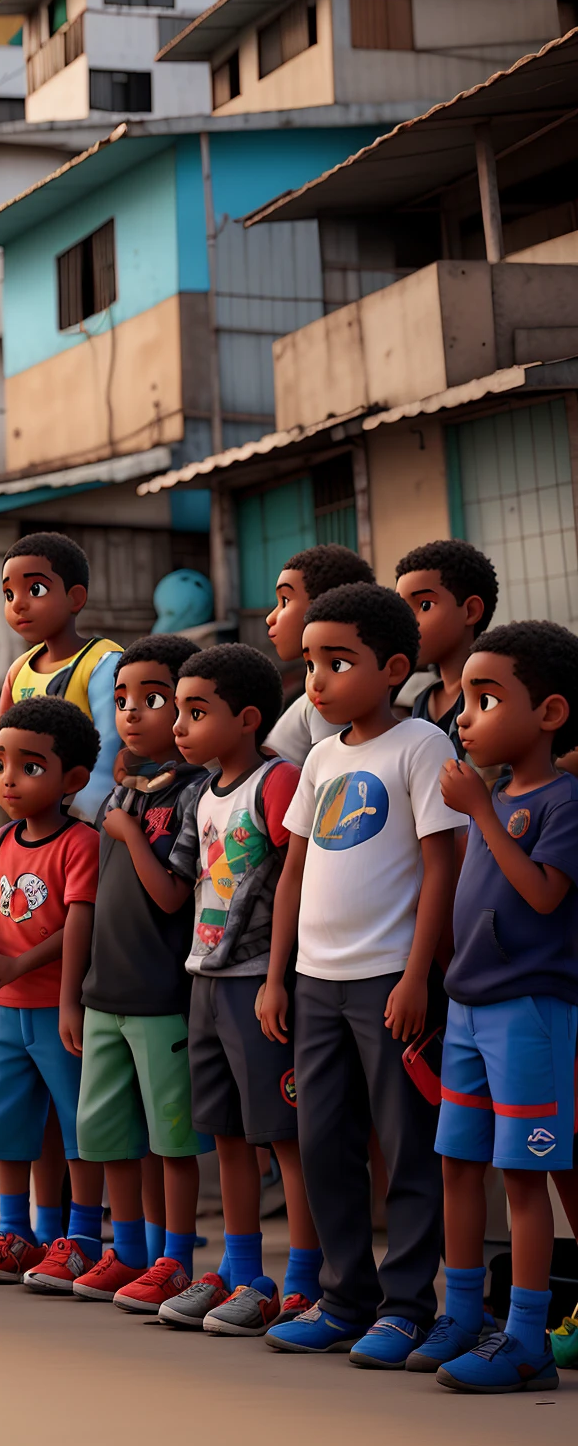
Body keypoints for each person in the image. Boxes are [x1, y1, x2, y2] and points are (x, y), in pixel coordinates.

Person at [258, 584, 467, 1363]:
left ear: (395, 668)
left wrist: (417, 976)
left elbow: (439, 868)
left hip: (389, 982)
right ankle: (345, 1298)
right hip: (314, 983)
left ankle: (408, 1306)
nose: (318, 679)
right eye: (312, 662)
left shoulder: (421, 747)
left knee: (407, 1146)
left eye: (338, 662)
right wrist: (277, 977)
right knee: (323, 1143)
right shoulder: (317, 756)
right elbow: (292, 875)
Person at [147, 644, 325, 1333]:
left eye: (196, 712)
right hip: (206, 980)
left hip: (258, 984)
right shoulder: (199, 794)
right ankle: (242, 1271)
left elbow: (293, 881)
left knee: (284, 1135)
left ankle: (303, 1279)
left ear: (248, 718)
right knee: (223, 1132)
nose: (179, 726)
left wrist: (278, 978)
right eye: (179, 711)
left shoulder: (277, 783)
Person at [422, 623, 578, 1392]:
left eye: (486, 700)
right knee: (458, 1162)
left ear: (549, 713)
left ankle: (527, 1339)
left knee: (524, 1176)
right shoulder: (493, 794)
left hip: (530, 1012)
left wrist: (482, 813)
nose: (466, 718)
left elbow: (546, 897)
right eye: (466, 702)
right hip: (468, 1007)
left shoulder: (561, 800)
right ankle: (460, 1315)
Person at [58, 635, 212, 1309]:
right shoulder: (122, 788)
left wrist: (124, 833)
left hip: (161, 994)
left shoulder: (194, 793)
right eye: (122, 699)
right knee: (110, 1134)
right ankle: (129, 1252)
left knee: (171, 1139)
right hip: (105, 994)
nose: (132, 713)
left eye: (152, 699)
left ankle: (175, 1259)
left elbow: (173, 894)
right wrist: (74, 994)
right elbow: (89, 905)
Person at [0, 698, 101, 1281]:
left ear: (72, 780)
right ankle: (14, 1231)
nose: (8, 778)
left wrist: (29, 973)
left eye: (29, 767)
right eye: (1, 762)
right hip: (4, 1010)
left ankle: (78, 1235)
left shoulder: (82, 843)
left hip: (58, 1010)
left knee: (78, 1127)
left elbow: (77, 925)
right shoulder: (3, 840)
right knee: (4, 1122)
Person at [0, 532, 123, 824]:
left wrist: (84, 815)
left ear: (74, 597)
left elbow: (107, 752)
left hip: (89, 817)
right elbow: (1, 748)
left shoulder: (102, 662)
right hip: (32, 815)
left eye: (36, 589)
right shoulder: (19, 670)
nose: (18, 605)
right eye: (9, 594)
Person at [262, 545, 375, 770]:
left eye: (285, 601)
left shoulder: (325, 701)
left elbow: (330, 778)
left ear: (324, 607)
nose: (270, 618)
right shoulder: (313, 695)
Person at [395, 539, 499, 761]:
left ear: (470, 611)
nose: (405, 622)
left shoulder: (493, 694)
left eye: (424, 606)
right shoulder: (422, 700)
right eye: (402, 609)